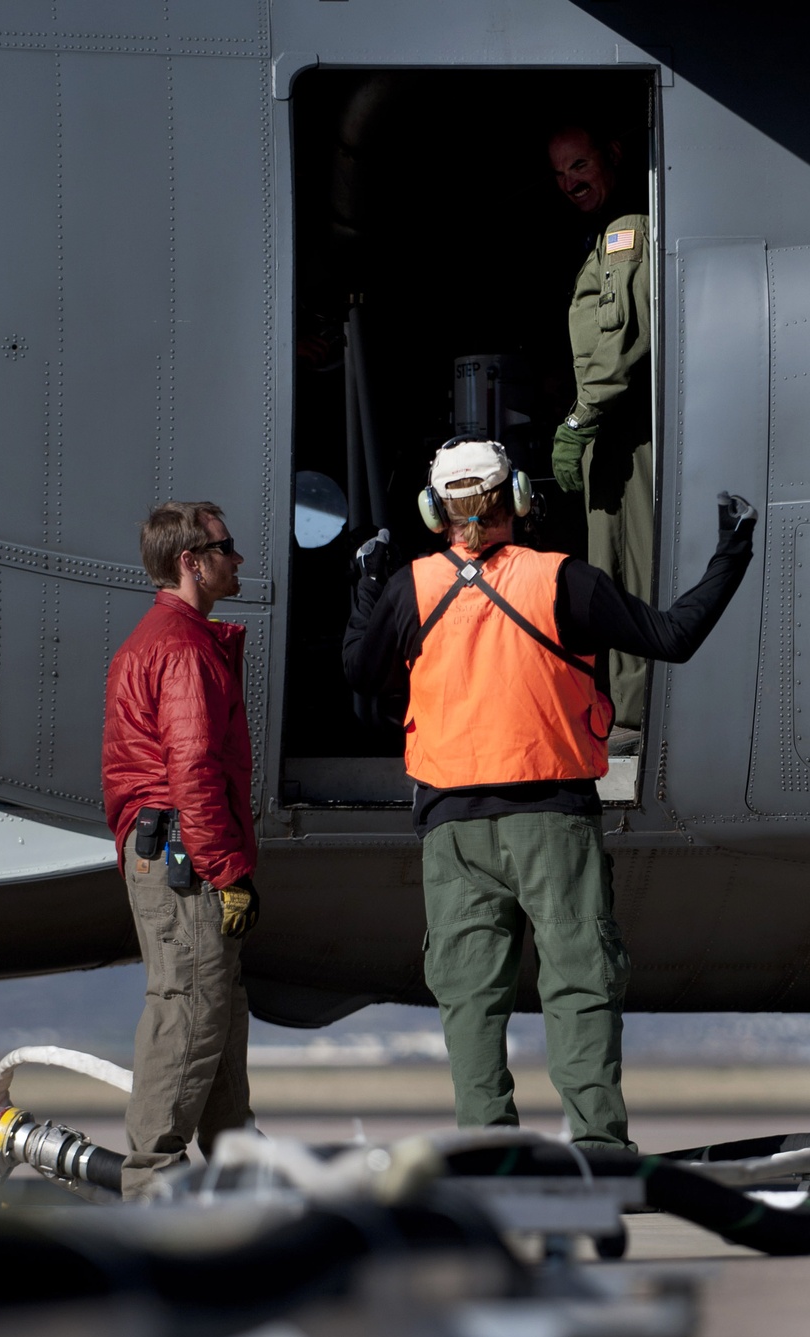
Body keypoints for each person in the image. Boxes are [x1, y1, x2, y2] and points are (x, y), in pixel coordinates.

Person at [343, 438, 755, 1149]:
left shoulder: (413, 587)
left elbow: (360, 669)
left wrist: (366, 585)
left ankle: (486, 1146)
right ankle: (598, 1142)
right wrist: (732, 553)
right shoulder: (564, 579)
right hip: (551, 818)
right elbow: (674, 635)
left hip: (452, 828)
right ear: (521, 499)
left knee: (470, 996)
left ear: (434, 512)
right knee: (580, 980)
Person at [102, 502, 259, 1201]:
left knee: (216, 1009)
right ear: (191, 562)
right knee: (189, 1009)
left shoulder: (165, 638)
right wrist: (227, 871)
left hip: (173, 851)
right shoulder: (185, 648)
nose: (239, 559)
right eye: (227, 547)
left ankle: (237, 1177)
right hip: (187, 859)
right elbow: (193, 766)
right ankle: (154, 1188)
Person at [548, 124, 652, 743]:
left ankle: (635, 716)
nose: (571, 183)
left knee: (628, 572)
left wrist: (578, 421)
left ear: (612, 156)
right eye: (560, 175)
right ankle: (622, 706)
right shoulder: (603, 237)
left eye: (579, 165)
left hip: (619, 429)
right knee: (608, 569)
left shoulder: (624, 232)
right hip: (608, 430)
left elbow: (617, 341)